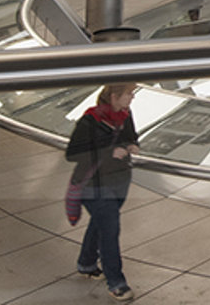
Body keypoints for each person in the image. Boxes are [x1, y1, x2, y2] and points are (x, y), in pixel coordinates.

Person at [67, 83, 141, 299]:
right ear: (115, 96)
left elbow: (131, 137)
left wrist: (131, 146)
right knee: (110, 229)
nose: (132, 98)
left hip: (118, 181)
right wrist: (110, 152)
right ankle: (116, 282)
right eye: (129, 94)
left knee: (101, 222)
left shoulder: (125, 115)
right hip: (93, 184)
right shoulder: (91, 120)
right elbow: (73, 153)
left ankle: (87, 263)